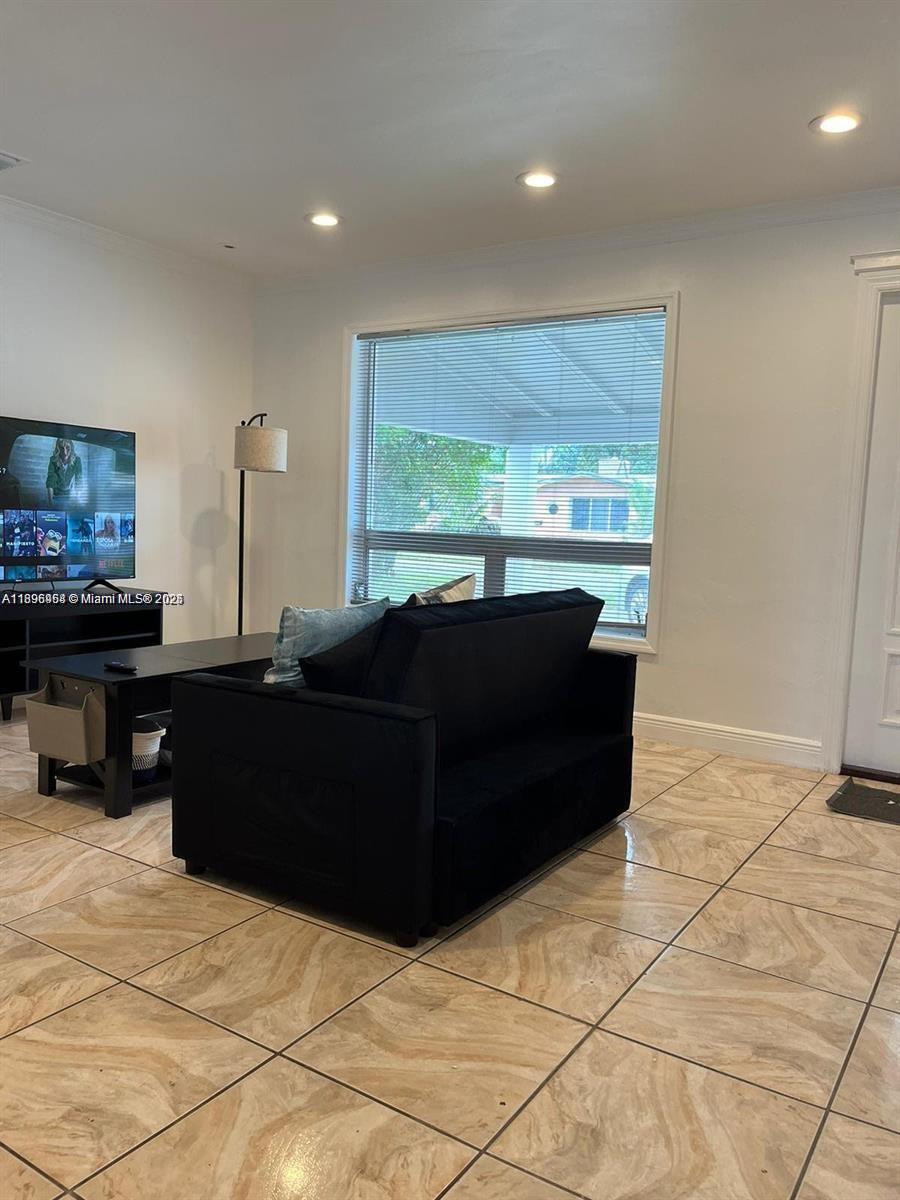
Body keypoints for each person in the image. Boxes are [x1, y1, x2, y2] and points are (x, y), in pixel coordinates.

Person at [46, 438, 82, 504]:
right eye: (62, 448)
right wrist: (50, 503)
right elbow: (50, 481)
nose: (65, 453)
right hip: (56, 494)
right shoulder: (53, 460)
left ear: (71, 449)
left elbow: (78, 480)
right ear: (58, 449)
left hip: (69, 493)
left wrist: (78, 501)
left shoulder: (77, 460)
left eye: (67, 448)